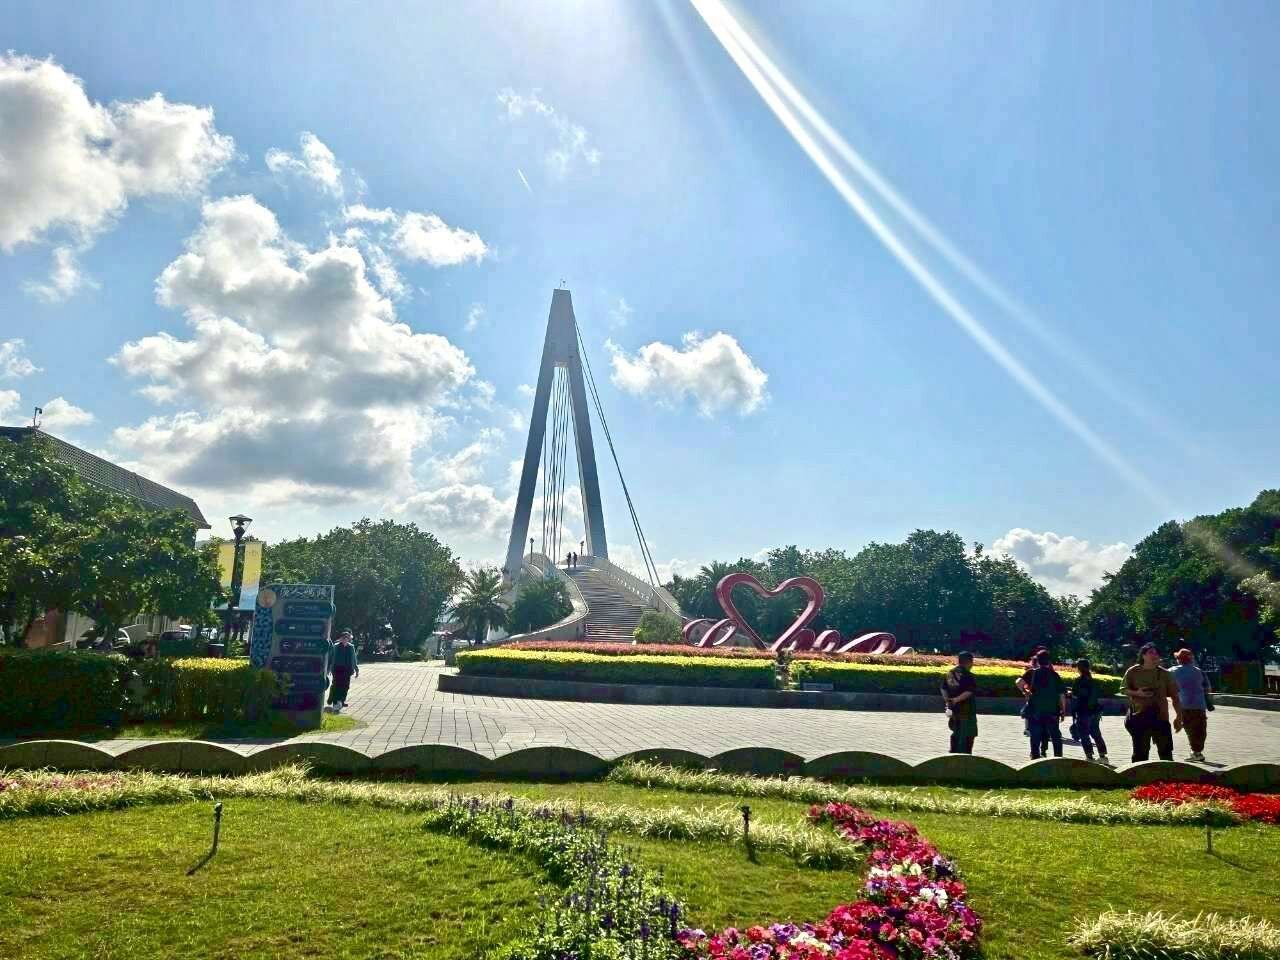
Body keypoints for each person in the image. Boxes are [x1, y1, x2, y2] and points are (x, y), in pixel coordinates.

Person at [1123, 643, 1182, 762]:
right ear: (1143, 655)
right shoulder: (1133, 671)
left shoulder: (1165, 674)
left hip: (1161, 717)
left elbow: (1175, 697)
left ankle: (1167, 774)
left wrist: (1179, 717)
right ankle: (1139, 774)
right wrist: (1137, 693)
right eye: (1151, 653)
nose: (1155, 655)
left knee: (1166, 754)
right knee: (1140, 754)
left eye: (1156, 653)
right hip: (1139, 717)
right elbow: (1123, 689)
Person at [1170, 647, 1213, 762]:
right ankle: (1197, 751)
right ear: (1191, 659)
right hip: (1199, 705)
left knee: (1190, 728)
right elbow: (1208, 688)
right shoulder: (1199, 671)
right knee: (1200, 729)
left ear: (1178, 659)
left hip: (1184, 704)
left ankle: (1196, 752)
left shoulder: (1173, 670)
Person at [1023, 651, 1066, 759]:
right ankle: (1058, 757)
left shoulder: (1032, 673)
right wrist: (1063, 710)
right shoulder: (1054, 675)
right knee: (1055, 736)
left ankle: (1035, 757)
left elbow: (1018, 682)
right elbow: (1061, 695)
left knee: (1035, 735)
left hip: (1035, 710)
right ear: (1049, 661)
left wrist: (1026, 692)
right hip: (1052, 710)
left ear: (1037, 661)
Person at [1071, 658, 1109, 764]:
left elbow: (1075, 695)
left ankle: (1089, 756)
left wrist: (1070, 694)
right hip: (1095, 710)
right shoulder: (1094, 681)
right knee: (1096, 732)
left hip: (1083, 711)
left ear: (1079, 668)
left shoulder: (1078, 681)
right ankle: (1103, 756)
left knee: (1084, 734)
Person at [940, 651, 978, 754]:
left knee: (956, 731)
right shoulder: (968, 675)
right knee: (969, 733)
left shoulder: (950, 673)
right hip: (967, 710)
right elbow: (969, 691)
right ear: (969, 662)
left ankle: (953, 752)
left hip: (954, 709)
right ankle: (965, 755)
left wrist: (948, 701)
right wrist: (956, 700)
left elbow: (943, 688)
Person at [327, 630, 360, 712]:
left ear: (349, 639)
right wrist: (328, 669)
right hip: (337, 669)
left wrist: (356, 669)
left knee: (345, 686)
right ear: (341, 638)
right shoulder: (336, 646)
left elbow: (354, 659)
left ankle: (341, 701)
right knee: (336, 685)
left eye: (347, 638)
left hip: (347, 670)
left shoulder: (351, 647)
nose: (345, 639)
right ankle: (335, 702)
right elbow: (330, 658)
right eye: (344, 638)